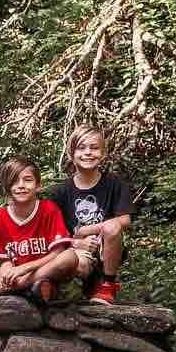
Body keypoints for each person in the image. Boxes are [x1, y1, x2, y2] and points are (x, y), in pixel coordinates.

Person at [0, 156, 80, 302]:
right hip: (14, 274)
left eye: (27, 180)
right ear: (6, 187)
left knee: (69, 257)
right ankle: (12, 285)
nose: (21, 185)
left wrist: (25, 269)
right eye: (14, 181)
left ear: (38, 185)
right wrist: (6, 270)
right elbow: (5, 259)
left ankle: (16, 286)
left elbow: (57, 253)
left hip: (42, 271)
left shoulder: (49, 210)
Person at [51, 125, 132, 305]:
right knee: (73, 263)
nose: (88, 152)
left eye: (94, 148)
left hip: (106, 248)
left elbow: (125, 219)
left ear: (103, 153)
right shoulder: (61, 192)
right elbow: (54, 233)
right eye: (81, 148)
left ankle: (107, 285)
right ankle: (65, 289)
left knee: (112, 226)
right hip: (76, 250)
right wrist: (77, 241)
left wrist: (86, 229)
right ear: (72, 154)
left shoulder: (114, 183)